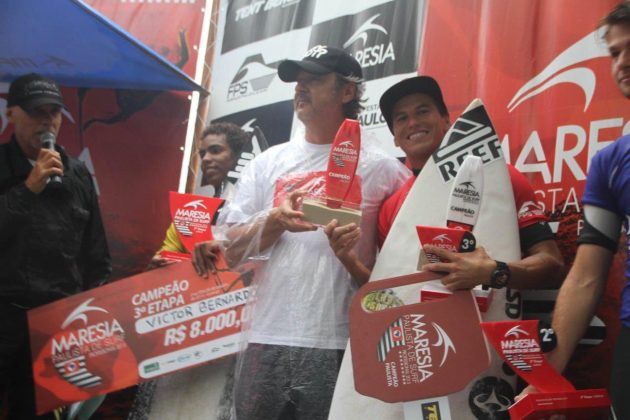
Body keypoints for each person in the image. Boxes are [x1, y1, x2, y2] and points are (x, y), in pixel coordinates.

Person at [195, 45, 409, 420]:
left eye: (314, 80)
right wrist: (274, 221)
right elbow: (229, 251)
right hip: (266, 337)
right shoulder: (267, 163)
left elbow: (402, 268)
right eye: (298, 81)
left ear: (347, 92)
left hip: (341, 340)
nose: (300, 88)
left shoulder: (384, 169)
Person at [519, 3, 630, 418]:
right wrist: (545, 382)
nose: (623, 61)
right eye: (615, 52)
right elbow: (585, 276)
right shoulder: (610, 162)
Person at [377, 75, 565, 291]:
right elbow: (387, 288)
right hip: (420, 323)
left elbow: (553, 264)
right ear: (394, 138)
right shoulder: (391, 208)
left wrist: (492, 272)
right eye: (401, 118)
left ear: (447, 121)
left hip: (489, 319)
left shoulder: (501, 178)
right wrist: (348, 258)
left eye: (422, 111)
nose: (412, 122)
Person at [0, 73, 111, 419]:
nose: (48, 121)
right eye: (37, 111)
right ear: (11, 114)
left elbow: (97, 257)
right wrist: (27, 189)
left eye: (54, 112)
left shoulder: (77, 175)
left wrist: (91, 324)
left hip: (54, 326)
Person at [147, 122, 248, 269]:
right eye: (202, 154)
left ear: (238, 157)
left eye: (215, 150)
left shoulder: (257, 205)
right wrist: (158, 262)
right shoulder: (190, 212)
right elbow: (168, 252)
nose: (206, 159)